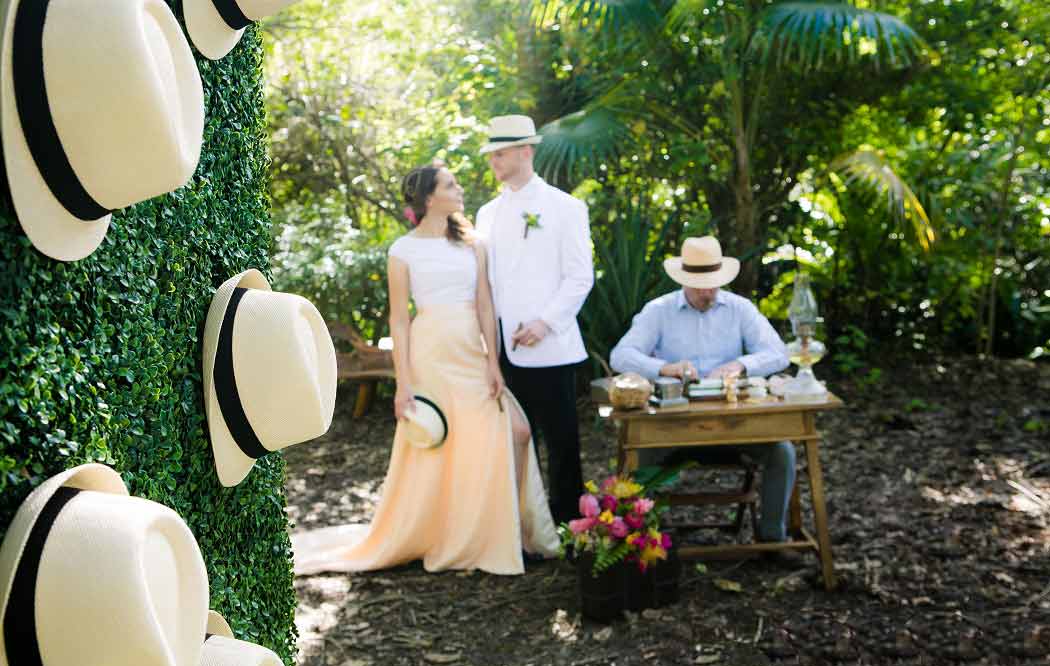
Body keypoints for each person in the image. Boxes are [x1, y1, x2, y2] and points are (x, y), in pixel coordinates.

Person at [292, 164, 560, 576]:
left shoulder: (474, 244)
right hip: (430, 352)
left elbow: (486, 305)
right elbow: (400, 319)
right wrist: (404, 384)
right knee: (443, 443)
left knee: (516, 432)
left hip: (471, 349)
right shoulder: (403, 250)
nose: (460, 188)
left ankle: (507, 531)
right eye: (451, 185)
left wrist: (494, 362)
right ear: (430, 199)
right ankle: (452, 533)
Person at [609, 236, 796, 543]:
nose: (708, 291)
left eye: (713, 284)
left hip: (735, 425)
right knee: (639, 452)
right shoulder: (659, 310)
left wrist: (741, 365)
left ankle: (773, 538)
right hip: (673, 427)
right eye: (700, 285)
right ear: (684, 281)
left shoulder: (739, 309)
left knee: (782, 452)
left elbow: (778, 352)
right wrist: (664, 368)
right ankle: (638, 542)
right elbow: (621, 355)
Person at [474, 115, 594, 525]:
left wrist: (545, 323)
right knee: (515, 441)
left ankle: (568, 525)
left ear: (526, 151)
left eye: (501, 153)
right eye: (491, 154)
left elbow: (580, 276)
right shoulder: (486, 214)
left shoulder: (565, 207)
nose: (494, 161)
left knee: (562, 443)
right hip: (502, 347)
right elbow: (486, 283)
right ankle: (523, 525)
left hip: (551, 347)